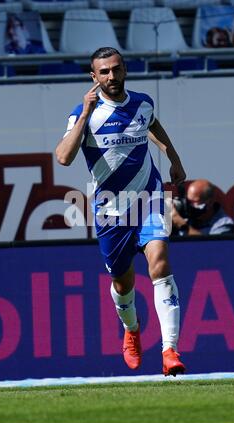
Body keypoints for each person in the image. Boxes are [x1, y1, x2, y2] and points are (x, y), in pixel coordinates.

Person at [55, 47, 187, 377]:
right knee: (122, 281)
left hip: (149, 198)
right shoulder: (85, 112)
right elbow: (63, 157)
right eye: (104, 72)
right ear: (94, 77)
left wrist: (174, 158)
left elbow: (153, 126)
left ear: (125, 69)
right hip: (111, 211)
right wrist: (84, 115)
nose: (111, 77)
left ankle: (170, 350)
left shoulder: (142, 103)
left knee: (160, 262)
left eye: (116, 69)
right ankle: (131, 330)